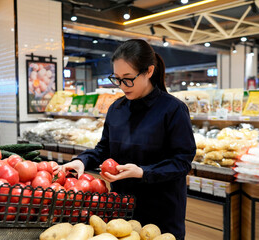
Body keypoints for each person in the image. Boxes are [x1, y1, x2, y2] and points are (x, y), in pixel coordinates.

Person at [54, 39, 196, 240]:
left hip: (161, 212)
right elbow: (104, 149)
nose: (122, 86)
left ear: (148, 71)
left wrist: (143, 172)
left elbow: (182, 162)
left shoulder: (173, 109)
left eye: (128, 78)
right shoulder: (117, 109)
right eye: (117, 79)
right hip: (121, 210)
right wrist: (82, 161)